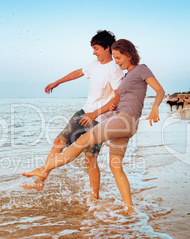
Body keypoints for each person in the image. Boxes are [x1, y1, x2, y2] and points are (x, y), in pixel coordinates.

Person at [22, 39, 165, 213]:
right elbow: (116, 100)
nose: (117, 61)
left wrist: (156, 106)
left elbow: (159, 90)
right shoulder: (126, 76)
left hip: (124, 120)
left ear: (129, 55)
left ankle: (44, 170)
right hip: (125, 122)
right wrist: (112, 107)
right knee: (115, 166)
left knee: (82, 140)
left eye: (119, 57)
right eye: (115, 57)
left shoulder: (141, 69)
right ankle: (129, 209)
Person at [21, 30, 124, 200]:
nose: (94, 52)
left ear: (107, 48)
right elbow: (79, 72)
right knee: (58, 141)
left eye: (96, 48)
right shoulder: (94, 64)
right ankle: (41, 179)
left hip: (100, 120)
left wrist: (95, 113)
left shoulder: (114, 70)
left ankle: (94, 198)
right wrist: (57, 82)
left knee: (90, 160)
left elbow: (117, 97)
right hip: (84, 112)